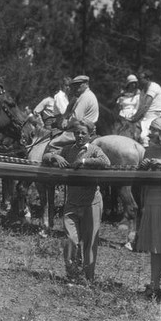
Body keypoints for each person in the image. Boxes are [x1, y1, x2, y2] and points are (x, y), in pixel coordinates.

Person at [43, 119, 111, 282]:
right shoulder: (68, 149)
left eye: (83, 133)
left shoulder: (95, 150)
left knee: (89, 242)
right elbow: (45, 156)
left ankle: (88, 279)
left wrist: (84, 161)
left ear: (90, 134)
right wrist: (54, 157)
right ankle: (72, 276)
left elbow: (106, 162)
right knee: (70, 240)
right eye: (77, 132)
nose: (79, 136)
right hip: (72, 203)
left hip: (91, 203)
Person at [135, 117, 161, 299]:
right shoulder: (148, 151)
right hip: (152, 201)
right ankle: (154, 286)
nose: (149, 133)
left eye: (153, 129)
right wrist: (143, 167)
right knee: (155, 246)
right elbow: (140, 179)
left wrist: (160, 164)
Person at [47, 75, 99, 151]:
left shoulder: (84, 97)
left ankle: (60, 162)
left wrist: (66, 124)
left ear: (86, 84)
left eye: (79, 84)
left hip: (80, 129)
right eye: (75, 85)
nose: (76, 87)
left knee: (52, 144)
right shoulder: (89, 95)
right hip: (89, 128)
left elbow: (76, 118)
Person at [130, 70, 161, 147]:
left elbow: (145, 106)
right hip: (146, 116)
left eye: (141, 78)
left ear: (147, 79)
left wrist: (134, 119)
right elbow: (141, 107)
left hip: (155, 116)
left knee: (144, 136)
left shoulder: (153, 87)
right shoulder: (143, 91)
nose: (139, 80)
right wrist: (134, 117)